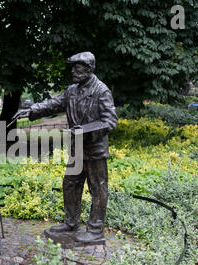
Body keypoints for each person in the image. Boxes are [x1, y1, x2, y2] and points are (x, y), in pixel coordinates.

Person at [11, 52, 118, 243]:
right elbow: (54, 104)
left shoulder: (101, 91)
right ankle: (71, 223)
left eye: (77, 69)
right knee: (70, 185)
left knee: (98, 188)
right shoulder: (72, 90)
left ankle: (95, 230)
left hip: (95, 150)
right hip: (77, 149)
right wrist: (31, 110)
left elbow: (110, 121)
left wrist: (84, 130)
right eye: (73, 68)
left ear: (89, 69)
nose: (73, 72)